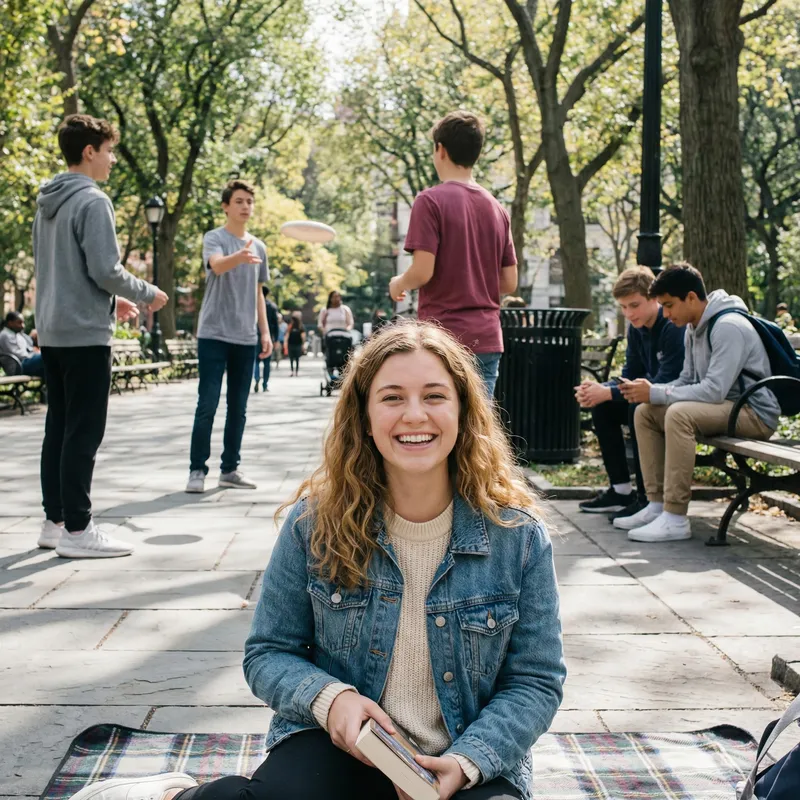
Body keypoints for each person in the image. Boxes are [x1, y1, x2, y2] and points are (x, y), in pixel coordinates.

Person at [72, 321, 565, 800]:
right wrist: (333, 703)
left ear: (464, 411)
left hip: (468, 758)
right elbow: (268, 652)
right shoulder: (314, 524)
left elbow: (536, 680)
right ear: (365, 417)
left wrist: (468, 761)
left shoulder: (517, 536)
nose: (415, 414)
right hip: (336, 748)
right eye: (392, 397)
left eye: (435, 396)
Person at [32, 114, 167, 558]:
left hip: (52, 329)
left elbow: (66, 270)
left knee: (59, 426)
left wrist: (112, 303)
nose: (111, 160)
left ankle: (54, 522)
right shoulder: (92, 201)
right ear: (89, 152)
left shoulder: (47, 201)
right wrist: (147, 293)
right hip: (85, 336)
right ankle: (78, 529)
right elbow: (105, 269)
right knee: (84, 432)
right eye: (108, 151)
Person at [614, 263, 780, 542]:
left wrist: (657, 393)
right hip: (724, 409)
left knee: (678, 414)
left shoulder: (728, 326)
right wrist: (652, 392)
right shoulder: (694, 327)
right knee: (645, 412)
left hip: (753, 414)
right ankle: (655, 505)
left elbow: (714, 390)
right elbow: (687, 379)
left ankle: (676, 517)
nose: (665, 314)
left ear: (691, 297)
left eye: (669, 305)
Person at [389, 111, 518, 397]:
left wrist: (398, 283)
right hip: (487, 339)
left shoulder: (430, 201)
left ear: (440, 149)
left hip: (441, 338)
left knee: (443, 429)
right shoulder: (497, 209)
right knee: (476, 431)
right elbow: (509, 283)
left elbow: (423, 271)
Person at [575, 267, 684, 519]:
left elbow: (664, 381)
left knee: (637, 408)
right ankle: (621, 490)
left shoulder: (672, 326)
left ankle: (647, 498)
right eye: (623, 307)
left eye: (634, 305)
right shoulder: (636, 330)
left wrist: (609, 392)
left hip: (673, 400)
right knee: (603, 407)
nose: (628, 313)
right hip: (648, 397)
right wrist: (600, 390)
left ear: (654, 298)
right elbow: (630, 374)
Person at [186, 179, 273, 494]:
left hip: (245, 337)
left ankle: (230, 469)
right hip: (213, 333)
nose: (245, 206)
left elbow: (258, 292)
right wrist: (238, 257)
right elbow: (217, 266)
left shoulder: (259, 246)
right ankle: (197, 470)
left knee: (239, 406)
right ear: (226, 206)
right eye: (239, 201)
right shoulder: (215, 238)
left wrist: (265, 331)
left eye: (249, 201)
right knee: (207, 403)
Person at [0, 311, 45, 377]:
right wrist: (35, 354)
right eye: (19, 323)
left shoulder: (17, 334)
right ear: (10, 323)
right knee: (47, 357)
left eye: (23, 322)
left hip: (25, 362)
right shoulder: (5, 335)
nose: (23, 326)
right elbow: (20, 354)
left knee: (50, 359)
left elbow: (29, 345)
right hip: (19, 366)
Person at [253, 285, 279, 392]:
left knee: (256, 361)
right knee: (267, 363)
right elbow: (275, 324)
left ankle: (257, 378)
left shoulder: (253, 304)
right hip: (268, 337)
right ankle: (265, 384)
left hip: (255, 336)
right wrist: (276, 339)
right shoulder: (272, 307)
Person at [284, 311, 305, 376]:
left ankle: (296, 372)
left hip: (297, 344)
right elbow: (287, 335)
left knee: (296, 359)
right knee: (292, 359)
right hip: (291, 344)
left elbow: (303, 336)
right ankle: (293, 371)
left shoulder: (300, 326)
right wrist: (285, 344)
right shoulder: (290, 326)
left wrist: (303, 345)